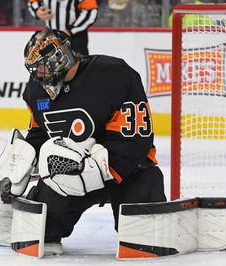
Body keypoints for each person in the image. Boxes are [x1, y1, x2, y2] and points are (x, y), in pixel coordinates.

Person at [21, 27, 167, 254]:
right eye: (35, 68)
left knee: (143, 241)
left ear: (59, 59)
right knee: (35, 235)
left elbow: (136, 138)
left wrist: (98, 170)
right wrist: (18, 164)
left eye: (42, 65)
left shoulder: (114, 74)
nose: (38, 75)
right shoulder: (36, 90)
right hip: (69, 176)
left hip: (128, 172)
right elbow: (39, 134)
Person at [27, 0, 98, 55]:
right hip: (51, 38)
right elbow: (33, 2)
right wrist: (37, 11)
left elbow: (91, 12)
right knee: (51, 69)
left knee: (79, 70)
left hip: (75, 40)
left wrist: (70, 30)